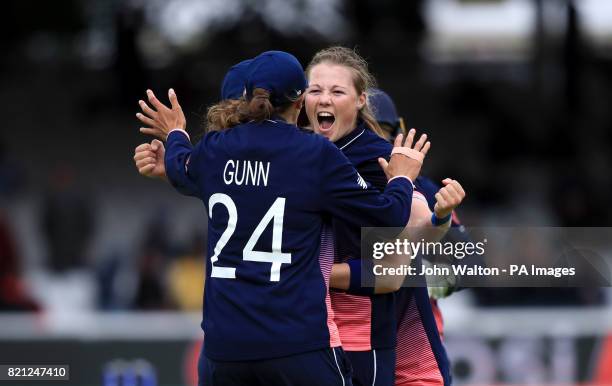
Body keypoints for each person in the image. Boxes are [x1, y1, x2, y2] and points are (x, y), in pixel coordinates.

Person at [135, 50, 431, 386]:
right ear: (300, 99)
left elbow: (181, 168)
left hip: (223, 348)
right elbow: (390, 216)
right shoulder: (315, 154)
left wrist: (175, 133)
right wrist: (403, 178)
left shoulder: (214, 149)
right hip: (296, 343)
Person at [303, 47, 464, 386]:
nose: (390, 142)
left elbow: (460, 271)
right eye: (316, 90)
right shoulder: (305, 154)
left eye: (392, 131)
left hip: (400, 338)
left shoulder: (406, 178)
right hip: (322, 333)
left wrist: (419, 260)